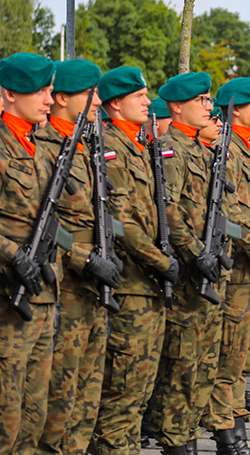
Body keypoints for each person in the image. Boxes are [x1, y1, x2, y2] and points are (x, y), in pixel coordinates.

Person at [93, 66, 180, 455]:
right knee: (123, 391)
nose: (148, 101)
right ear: (115, 103)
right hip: (130, 284)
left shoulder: (136, 146)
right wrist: (160, 261)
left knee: (140, 388)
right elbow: (121, 223)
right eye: (139, 96)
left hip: (146, 286)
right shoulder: (111, 147)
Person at [37, 59, 115, 455]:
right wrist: (86, 259)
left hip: (93, 289)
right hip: (66, 286)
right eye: (90, 93)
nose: (98, 100)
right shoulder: (46, 148)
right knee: (59, 396)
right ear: (62, 98)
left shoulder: (87, 147)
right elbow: (44, 226)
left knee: (88, 392)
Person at [144, 72, 223, 455]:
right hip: (188, 272)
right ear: (176, 106)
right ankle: (177, 442)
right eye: (202, 100)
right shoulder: (169, 149)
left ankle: (187, 434)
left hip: (206, 269)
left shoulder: (200, 150)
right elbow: (168, 212)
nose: (209, 107)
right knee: (182, 367)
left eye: (209, 100)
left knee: (203, 366)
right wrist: (197, 252)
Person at [0, 53, 57, 455]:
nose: (49, 99)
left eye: (50, 91)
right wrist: (12, 255)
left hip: (43, 303)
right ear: (10, 93)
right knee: (2, 424)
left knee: (34, 420)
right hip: (3, 307)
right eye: (40, 91)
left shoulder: (40, 149)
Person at [203, 77, 250, 455]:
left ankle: (237, 431)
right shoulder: (224, 151)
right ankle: (229, 437)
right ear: (235, 110)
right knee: (228, 362)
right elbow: (225, 216)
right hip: (236, 272)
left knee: (243, 361)